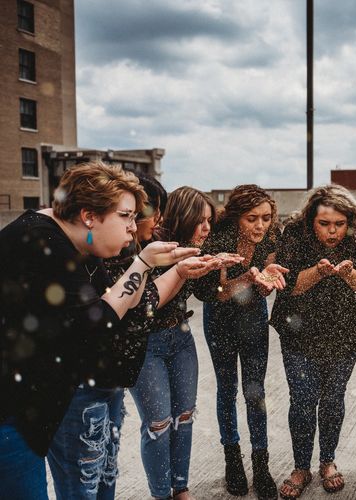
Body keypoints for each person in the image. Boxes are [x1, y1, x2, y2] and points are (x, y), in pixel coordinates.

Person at [0, 162, 195, 499]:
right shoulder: (38, 241)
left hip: (34, 406)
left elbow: (126, 307)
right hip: (10, 414)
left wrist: (172, 271)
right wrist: (143, 263)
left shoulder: (80, 247)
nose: (133, 229)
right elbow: (97, 322)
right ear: (89, 215)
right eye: (126, 216)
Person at [129, 186, 240, 500]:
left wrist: (219, 271)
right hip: (146, 344)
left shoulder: (194, 247)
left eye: (209, 221)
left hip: (180, 338)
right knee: (159, 424)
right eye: (200, 221)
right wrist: (185, 270)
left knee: (184, 417)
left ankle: (181, 488)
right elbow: (145, 304)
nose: (207, 228)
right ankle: (161, 493)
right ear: (183, 217)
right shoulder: (150, 245)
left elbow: (209, 294)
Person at [270, 185, 356, 499]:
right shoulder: (294, 234)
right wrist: (319, 271)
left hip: (344, 333)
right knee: (303, 400)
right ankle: (301, 467)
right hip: (298, 332)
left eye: (339, 225)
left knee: (333, 399)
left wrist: (348, 275)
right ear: (311, 220)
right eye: (324, 224)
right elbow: (289, 287)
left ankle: (327, 461)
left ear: (350, 222)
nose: (332, 232)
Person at [194, 185, 287, 499]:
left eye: (265, 218)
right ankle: (232, 458)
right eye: (252, 219)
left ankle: (261, 464)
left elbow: (263, 289)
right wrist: (247, 278)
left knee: (255, 390)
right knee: (227, 387)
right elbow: (214, 294)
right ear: (236, 218)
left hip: (253, 315)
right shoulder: (218, 240)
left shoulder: (270, 240)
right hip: (219, 317)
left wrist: (268, 280)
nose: (260, 225)